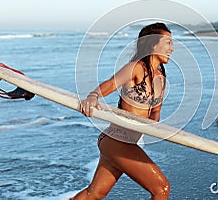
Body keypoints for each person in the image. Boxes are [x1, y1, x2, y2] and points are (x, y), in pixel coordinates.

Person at [74, 23, 174, 200]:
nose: (171, 49)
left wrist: (155, 126)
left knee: (94, 194)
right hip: (117, 140)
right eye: (168, 43)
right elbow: (111, 83)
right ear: (152, 44)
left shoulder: (161, 79)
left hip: (123, 142)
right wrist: (93, 96)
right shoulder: (136, 68)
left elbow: (155, 112)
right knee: (161, 189)